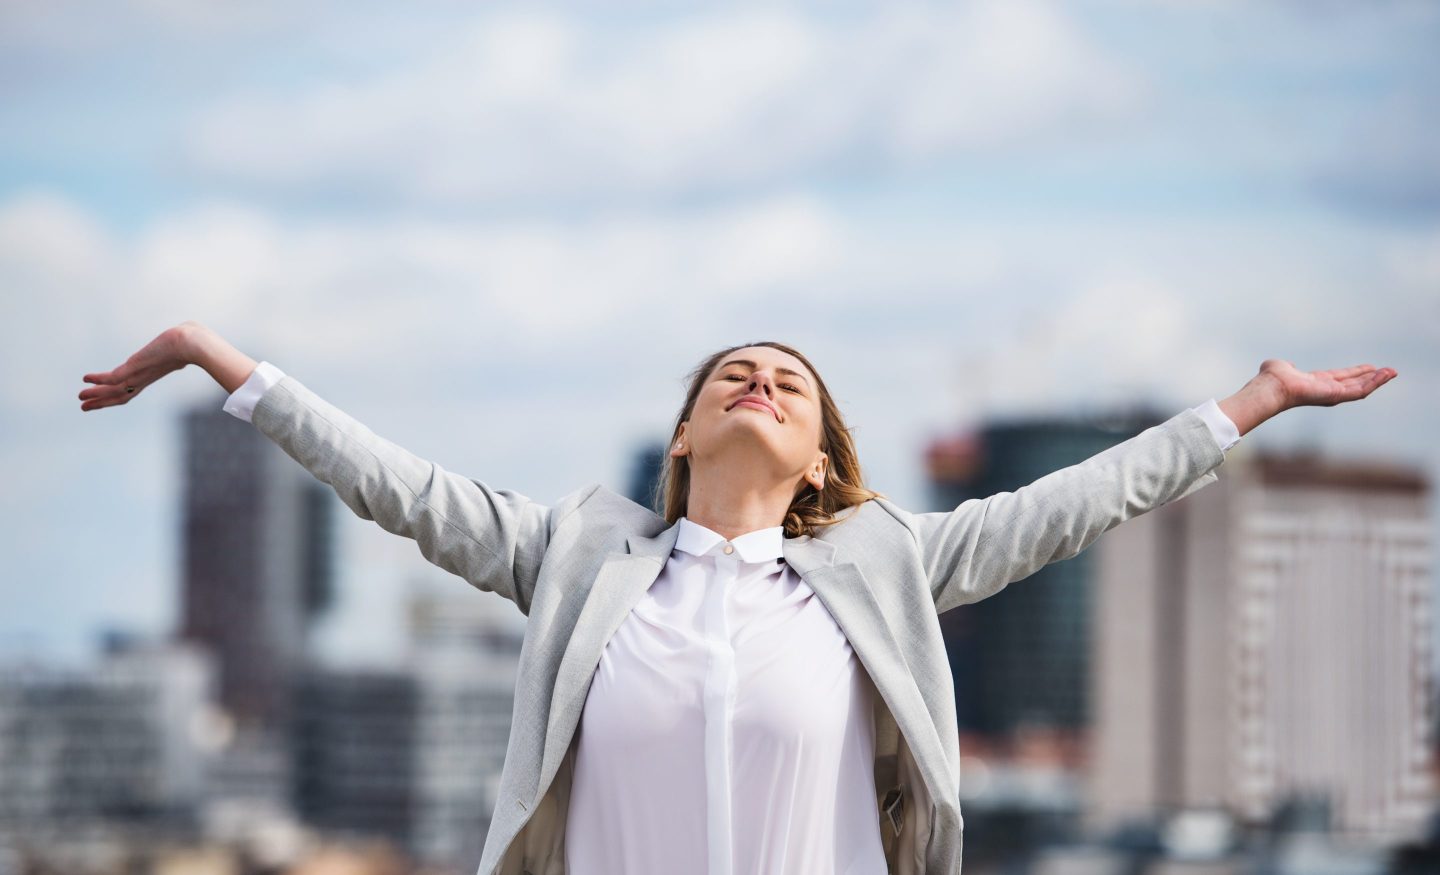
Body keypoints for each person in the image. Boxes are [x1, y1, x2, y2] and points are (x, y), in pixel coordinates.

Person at [80, 320, 1397, 874]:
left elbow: (1071, 506)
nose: (755, 380)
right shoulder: (579, 557)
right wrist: (223, 362)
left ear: (823, 456)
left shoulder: (881, 567)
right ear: (680, 440)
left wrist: (1253, 405)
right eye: (729, 374)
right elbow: (399, 489)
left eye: (787, 379)